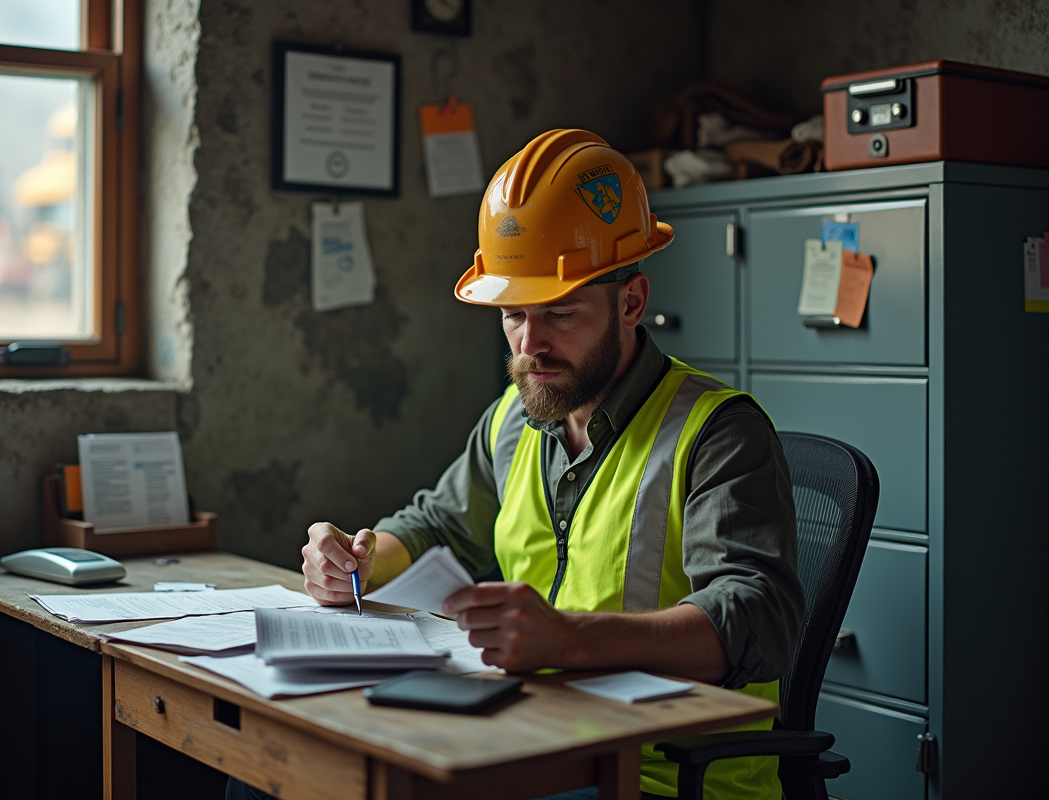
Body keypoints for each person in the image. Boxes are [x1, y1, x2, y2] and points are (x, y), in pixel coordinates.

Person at [229, 130, 803, 800]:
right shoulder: (513, 417)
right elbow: (436, 525)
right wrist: (357, 562)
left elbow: (752, 619)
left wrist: (569, 641)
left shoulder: (719, 433)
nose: (531, 344)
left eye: (559, 313)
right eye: (512, 316)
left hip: (658, 775)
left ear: (631, 302)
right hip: (535, 740)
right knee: (275, 774)